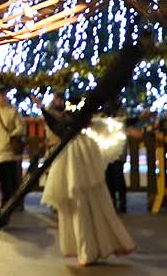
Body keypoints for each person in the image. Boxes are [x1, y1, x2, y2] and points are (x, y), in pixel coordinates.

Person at [40, 96, 135, 264]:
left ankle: (88, 250)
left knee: (82, 207)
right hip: (77, 163)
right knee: (85, 206)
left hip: (76, 163)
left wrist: (43, 109)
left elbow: (57, 126)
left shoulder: (79, 125)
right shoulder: (85, 125)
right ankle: (89, 248)